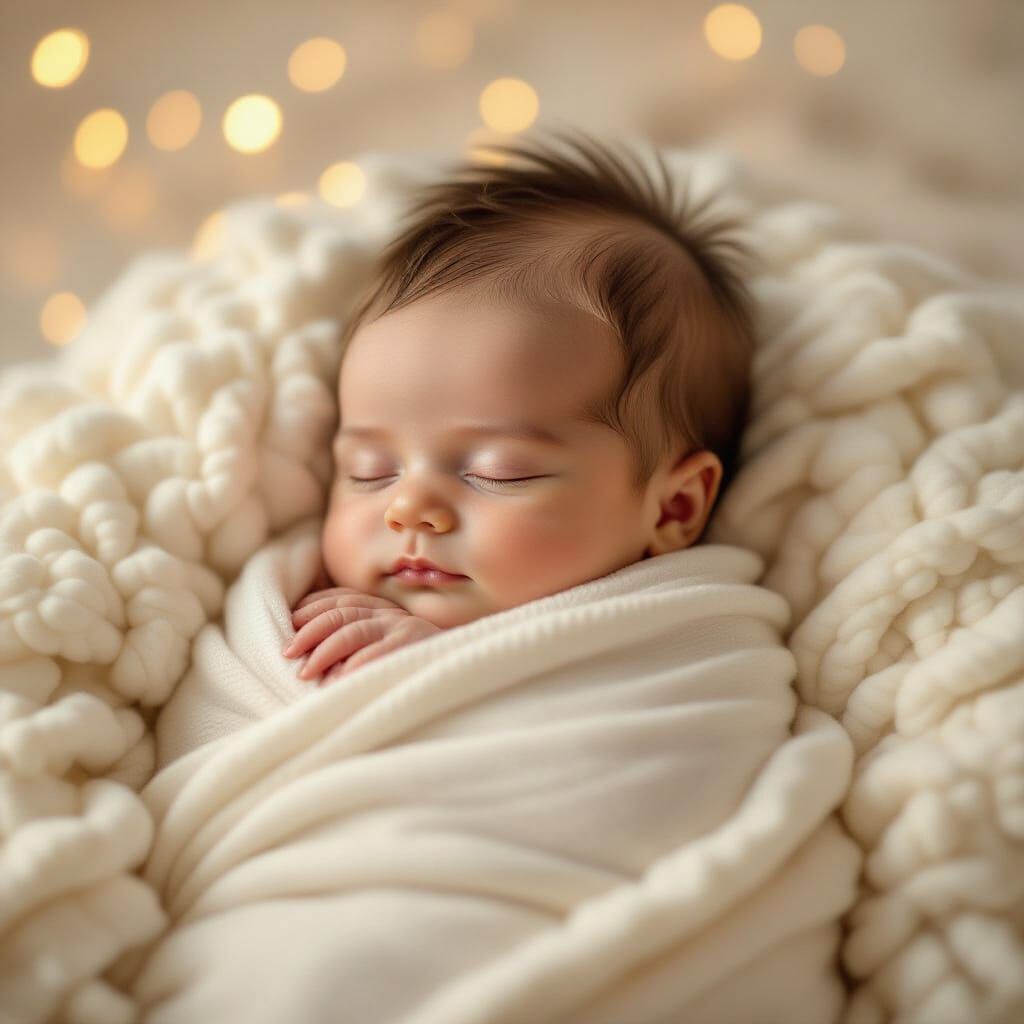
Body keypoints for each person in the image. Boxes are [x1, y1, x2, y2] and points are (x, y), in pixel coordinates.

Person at [283, 126, 756, 684]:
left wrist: (441, 666)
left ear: (673, 508)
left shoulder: (686, 641)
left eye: (497, 473)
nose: (407, 508)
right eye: (369, 472)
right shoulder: (292, 595)